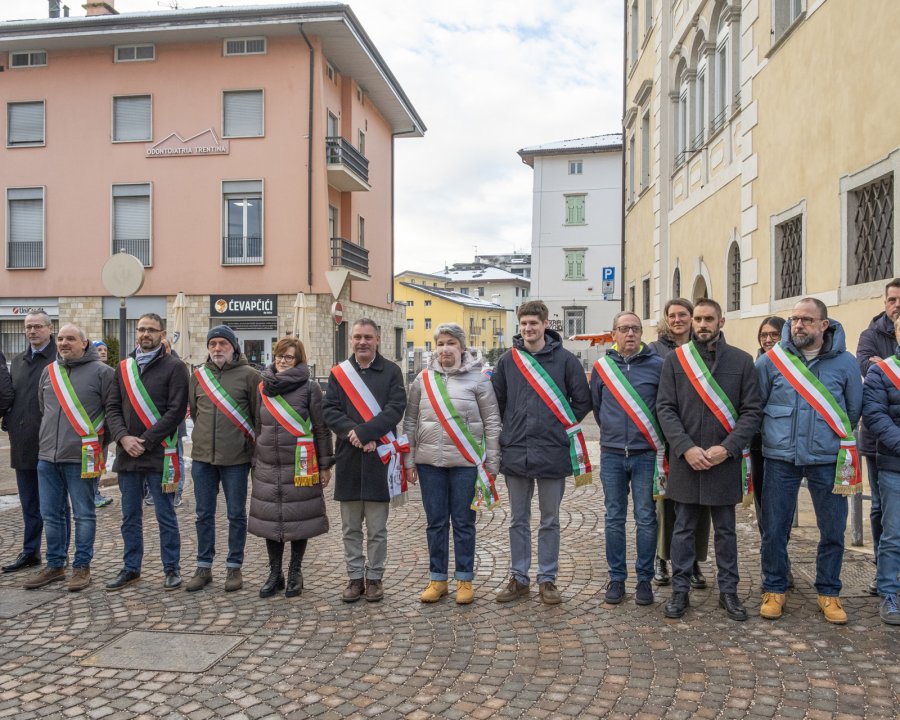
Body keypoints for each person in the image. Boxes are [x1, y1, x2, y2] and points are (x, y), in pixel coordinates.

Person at [756, 298, 863, 624]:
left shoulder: (845, 363)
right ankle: (774, 588)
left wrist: (826, 438)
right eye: (794, 320)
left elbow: (852, 410)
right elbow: (757, 405)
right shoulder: (771, 362)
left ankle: (829, 591)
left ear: (823, 325)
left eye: (806, 320)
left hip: (826, 459)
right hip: (780, 458)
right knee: (775, 529)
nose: (797, 325)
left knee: (832, 529)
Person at [656, 298, 761, 621]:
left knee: (726, 531)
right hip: (687, 460)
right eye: (698, 319)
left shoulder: (742, 362)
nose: (702, 324)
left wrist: (726, 448)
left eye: (708, 319)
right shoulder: (676, 361)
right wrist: (686, 448)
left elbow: (752, 411)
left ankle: (728, 592)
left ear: (721, 321)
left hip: (723, 460)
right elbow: (665, 408)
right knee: (683, 528)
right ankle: (680, 591)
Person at [492, 300, 592, 605]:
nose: (528, 329)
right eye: (523, 324)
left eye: (534, 323)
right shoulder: (508, 361)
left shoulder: (565, 361)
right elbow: (496, 402)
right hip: (516, 451)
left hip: (552, 451)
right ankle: (519, 578)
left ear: (545, 324)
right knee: (517, 520)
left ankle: (547, 579)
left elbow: (582, 400)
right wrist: (508, 431)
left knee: (550, 520)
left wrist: (559, 427)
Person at [404, 323, 501, 605]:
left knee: (463, 522)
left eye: (451, 343)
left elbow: (493, 424)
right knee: (435, 523)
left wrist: (491, 464)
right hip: (429, 463)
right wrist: (409, 459)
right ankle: (437, 579)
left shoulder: (479, 380)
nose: (445, 348)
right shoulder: (422, 380)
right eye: (441, 343)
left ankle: (465, 580)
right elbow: (410, 421)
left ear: (462, 347)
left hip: (465, 464)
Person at [23, 324, 114, 592]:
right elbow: (44, 410)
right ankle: (55, 565)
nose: (64, 343)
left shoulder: (103, 373)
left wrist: (97, 445)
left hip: (81, 458)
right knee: (51, 515)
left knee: (84, 515)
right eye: (61, 338)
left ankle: (82, 567)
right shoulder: (49, 372)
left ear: (84, 344)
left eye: (71, 339)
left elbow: (112, 415)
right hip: (47, 457)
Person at [323, 319, 407, 603]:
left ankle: (374, 579)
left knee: (377, 528)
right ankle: (355, 577)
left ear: (378, 339)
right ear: (352, 341)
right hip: (349, 457)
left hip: (379, 459)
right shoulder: (339, 374)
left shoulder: (392, 371)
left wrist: (366, 432)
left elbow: (396, 409)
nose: (361, 342)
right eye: (357, 337)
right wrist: (355, 435)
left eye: (367, 337)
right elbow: (330, 410)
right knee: (350, 528)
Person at [104, 313, 189, 591]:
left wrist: (146, 440)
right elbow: (112, 408)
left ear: (162, 334)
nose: (145, 334)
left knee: (165, 514)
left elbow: (176, 411)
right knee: (129, 515)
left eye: (151, 330)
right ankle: (131, 568)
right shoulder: (124, 367)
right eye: (141, 329)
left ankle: (171, 568)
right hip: (128, 453)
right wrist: (123, 437)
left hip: (160, 454)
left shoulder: (175, 367)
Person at [250, 337, 334, 599]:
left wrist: (324, 465)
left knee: (300, 518)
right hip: (267, 463)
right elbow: (257, 424)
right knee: (269, 519)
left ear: (299, 360)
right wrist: (256, 458)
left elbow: (321, 429)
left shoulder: (310, 389)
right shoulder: (262, 387)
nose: (282, 361)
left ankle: (295, 571)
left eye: (289, 357)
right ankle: (275, 573)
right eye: (279, 356)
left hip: (301, 463)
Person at [590, 311, 663, 606]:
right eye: (623, 329)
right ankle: (617, 578)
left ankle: (645, 579)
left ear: (642, 333)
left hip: (647, 454)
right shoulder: (602, 368)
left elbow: (664, 406)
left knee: (646, 518)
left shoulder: (659, 365)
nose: (629, 334)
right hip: (611, 454)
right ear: (614, 334)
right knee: (614, 518)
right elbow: (598, 407)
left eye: (634, 328)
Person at [185, 326, 260, 592]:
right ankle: (203, 566)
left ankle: (233, 566)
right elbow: (196, 413)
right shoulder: (198, 376)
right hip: (203, 458)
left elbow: (256, 416)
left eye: (223, 344)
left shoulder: (251, 376)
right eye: (213, 344)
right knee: (203, 514)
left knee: (236, 515)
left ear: (234, 347)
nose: (217, 349)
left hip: (236, 459)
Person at [648, 298, 710, 590]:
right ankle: (662, 558)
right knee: (665, 501)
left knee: (699, 502)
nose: (677, 320)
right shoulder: (654, 350)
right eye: (671, 315)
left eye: (683, 315)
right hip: (666, 436)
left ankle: (693, 561)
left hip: (700, 437)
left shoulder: (707, 348)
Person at [2, 312, 70, 574]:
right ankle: (31, 551)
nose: (32, 331)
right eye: (28, 327)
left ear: (50, 329)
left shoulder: (60, 359)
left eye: (38, 326)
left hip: (53, 444)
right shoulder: (18, 361)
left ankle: (59, 554)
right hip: (23, 442)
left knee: (55, 505)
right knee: (29, 503)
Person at [856, 278, 900, 596]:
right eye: (892, 299)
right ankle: (881, 573)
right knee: (880, 511)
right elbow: (867, 370)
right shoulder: (871, 335)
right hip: (879, 444)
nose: (896, 304)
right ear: (885, 302)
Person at [749, 318, 789, 550]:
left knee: (783, 506)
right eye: (764, 335)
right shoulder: (757, 364)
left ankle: (779, 552)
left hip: (783, 444)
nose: (768, 339)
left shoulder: (792, 367)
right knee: (764, 503)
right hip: (759, 444)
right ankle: (770, 553)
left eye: (774, 335)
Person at [90, 340, 114, 509]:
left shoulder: (109, 372)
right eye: (99, 349)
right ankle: (90, 494)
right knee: (90, 463)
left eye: (105, 349)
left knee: (100, 461)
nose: (103, 352)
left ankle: (95, 491)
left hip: (104, 429)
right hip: (89, 429)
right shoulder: (90, 373)